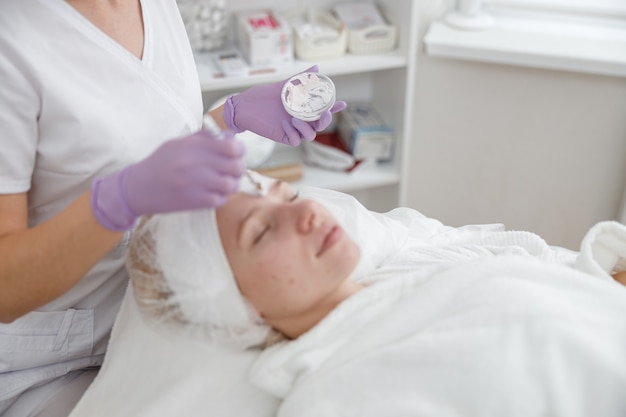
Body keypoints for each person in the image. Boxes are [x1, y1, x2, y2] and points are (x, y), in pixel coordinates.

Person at [0, 1, 345, 415]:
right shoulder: (12, 39)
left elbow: (139, 135)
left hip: (159, 314)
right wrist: (118, 200)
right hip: (54, 359)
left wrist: (227, 119)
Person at [125, 172, 626, 417]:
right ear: (235, 311)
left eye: (288, 195)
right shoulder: (336, 397)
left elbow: (553, 277)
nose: (308, 214)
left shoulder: (411, 266)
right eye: (262, 231)